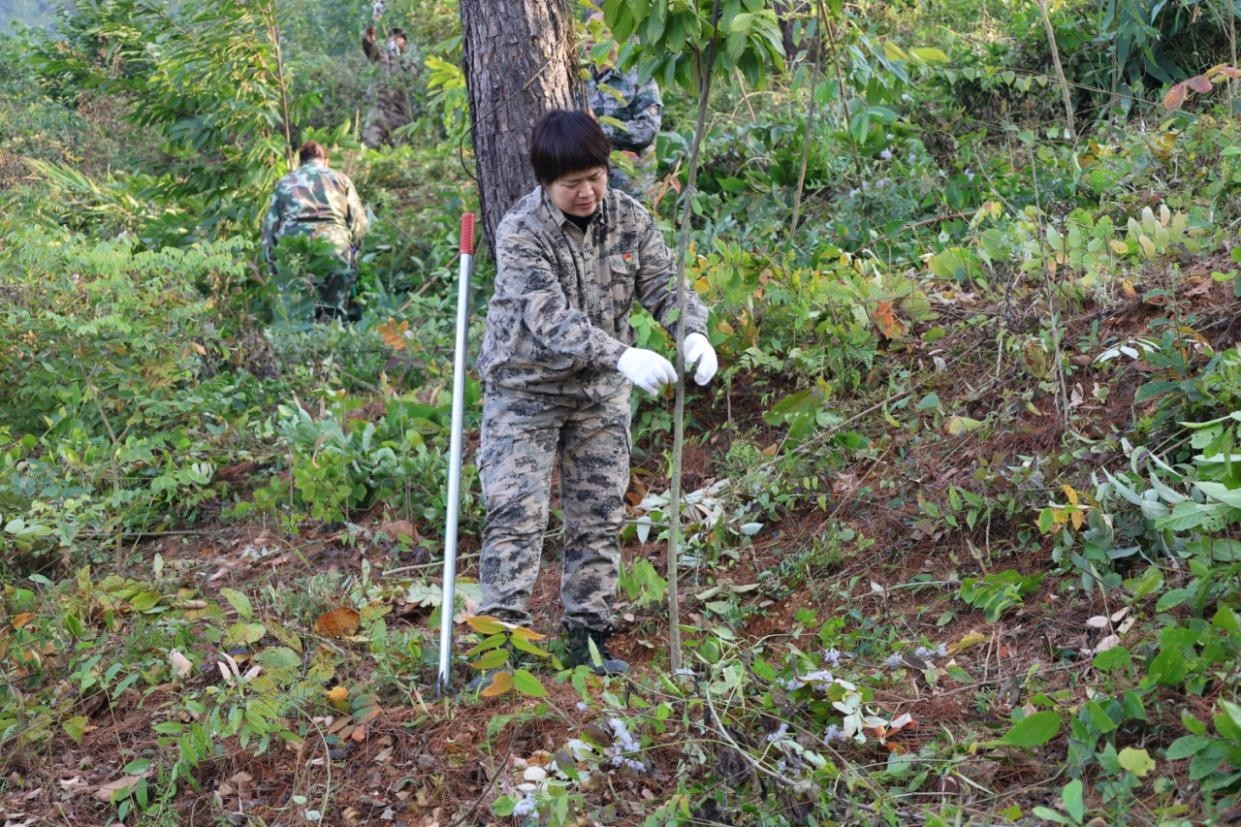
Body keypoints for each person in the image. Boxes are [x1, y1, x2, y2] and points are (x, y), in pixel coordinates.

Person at [473, 109, 718, 678]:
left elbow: (664, 284)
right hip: (525, 391)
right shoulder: (521, 231)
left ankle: (589, 638)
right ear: (545, 183)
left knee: (599, 513)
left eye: (595, 178)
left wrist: (692, 331)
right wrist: (624, 355)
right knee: (516, 516)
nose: (586, 192)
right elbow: (549, 318)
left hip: (598, 396)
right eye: (571, 184)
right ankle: (500, 650)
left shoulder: (629, 219)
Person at [260, 141, 368, 321]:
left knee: (298, 313)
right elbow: (360, 222)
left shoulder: (285, 182)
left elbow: (270, 229)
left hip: (294, 248)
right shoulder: (341, 180)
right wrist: (353, 251)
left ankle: (302, 334)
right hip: (335, 245)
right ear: (326, 161)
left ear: (300, 162)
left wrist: (273, 264)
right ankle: (331, 333)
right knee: (334, 314)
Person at [584, 15, 663, 197]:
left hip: (631, 188)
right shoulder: (578, 79)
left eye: (600, 31)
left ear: (617, 37)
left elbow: (646, 131)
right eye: (588, 32)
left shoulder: (639, 77)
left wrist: (596, 128)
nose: (590, 38)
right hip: (589, 188)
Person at [362, 24, 419, 148]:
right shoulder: (380, 56)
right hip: (379, 108)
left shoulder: (407, 61)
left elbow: (413, 76)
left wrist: (400, 58)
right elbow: (368, 46)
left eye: (400, 37)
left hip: (399, 111)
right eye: (393, 37)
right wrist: (370, 34)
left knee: (401, 148)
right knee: (370, 143)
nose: (396, 39)